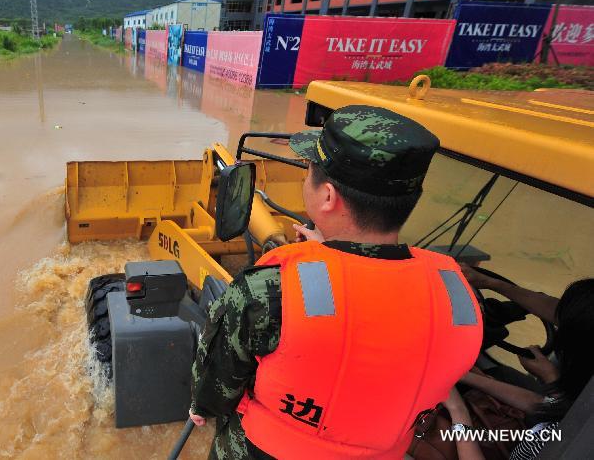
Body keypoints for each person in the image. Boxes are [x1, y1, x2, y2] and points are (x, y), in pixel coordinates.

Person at [189, 105, 484, 459]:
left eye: (308, 170)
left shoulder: (270, 290)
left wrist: (201, 408)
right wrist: (329, 253)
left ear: (327, 196)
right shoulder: (459, 297)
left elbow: (213, 392)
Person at [455, 277, 594, 459]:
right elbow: (551, 407)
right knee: (500, 373)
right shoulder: (583, 406)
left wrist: (457, 411)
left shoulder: (559, 443)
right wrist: (464, 376)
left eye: (563, 329)